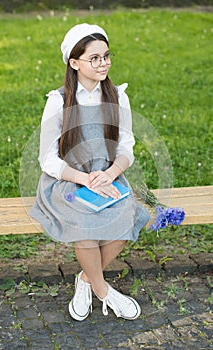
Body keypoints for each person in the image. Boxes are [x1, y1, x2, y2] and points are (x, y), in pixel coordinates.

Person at [30, 23, 150, 321]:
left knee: (127, 219)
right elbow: (47, 159)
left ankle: (85, 279)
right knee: (85, 226)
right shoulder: (59, 101)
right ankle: (103, 290)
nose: (103, 63)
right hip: (69, 180)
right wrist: (85, 179)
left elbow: (126, 146)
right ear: (74, 63)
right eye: (94, 58)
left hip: (106, 175)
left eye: (106, 55)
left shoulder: (117, 96)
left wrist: (110, 174)